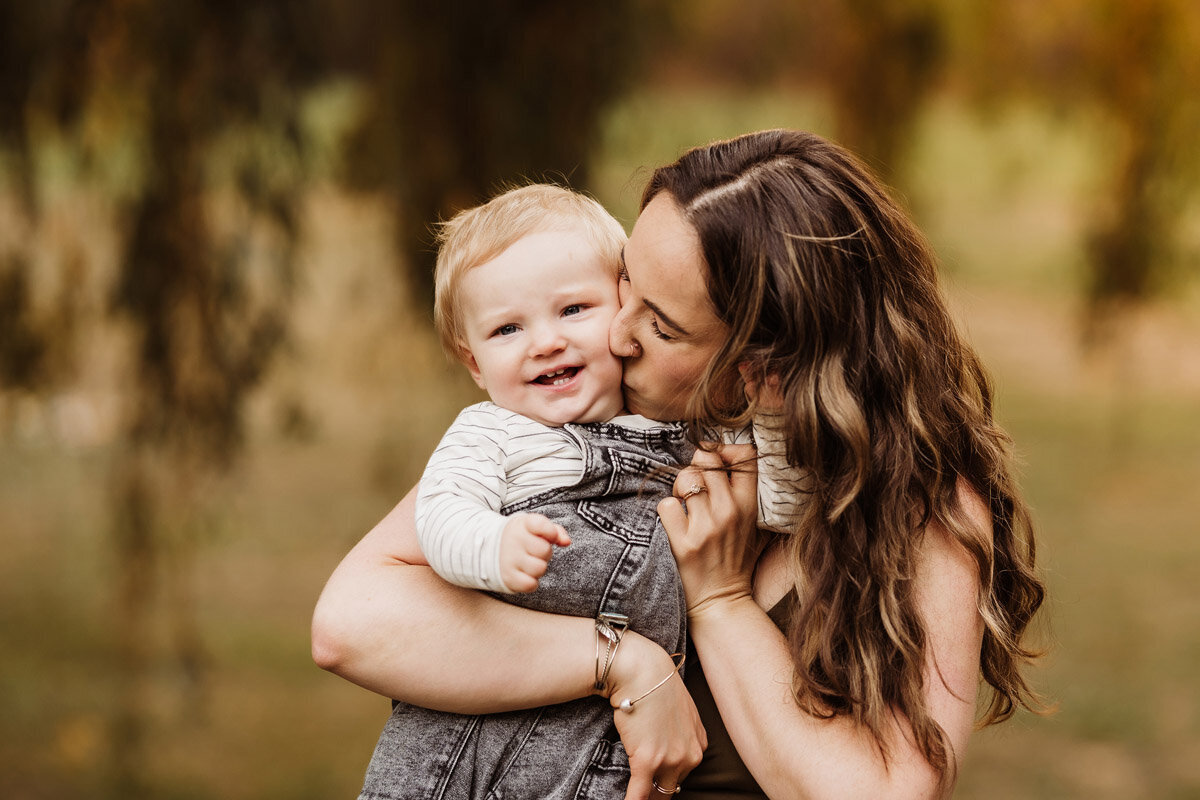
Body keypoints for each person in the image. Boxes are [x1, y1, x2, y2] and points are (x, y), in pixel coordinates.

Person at [313, 129, 1046, 800]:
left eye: (661, 325)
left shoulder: (917, 511)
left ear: (767, 368)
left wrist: (720, 601)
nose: (616, 335)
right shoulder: (579, 431)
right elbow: (351, 622)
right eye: (625, 282)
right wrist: (621, 661)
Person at [359, 183, 804, 799]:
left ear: (622, 311)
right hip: (459, 760)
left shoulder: (682, 429)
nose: (546, 341)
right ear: (473, 363)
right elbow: (442, 513)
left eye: (573, 311)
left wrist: (774, 406)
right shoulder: (494, 435)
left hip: (597, 760)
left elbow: (781, 501)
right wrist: (492, 545)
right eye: (507, 329)